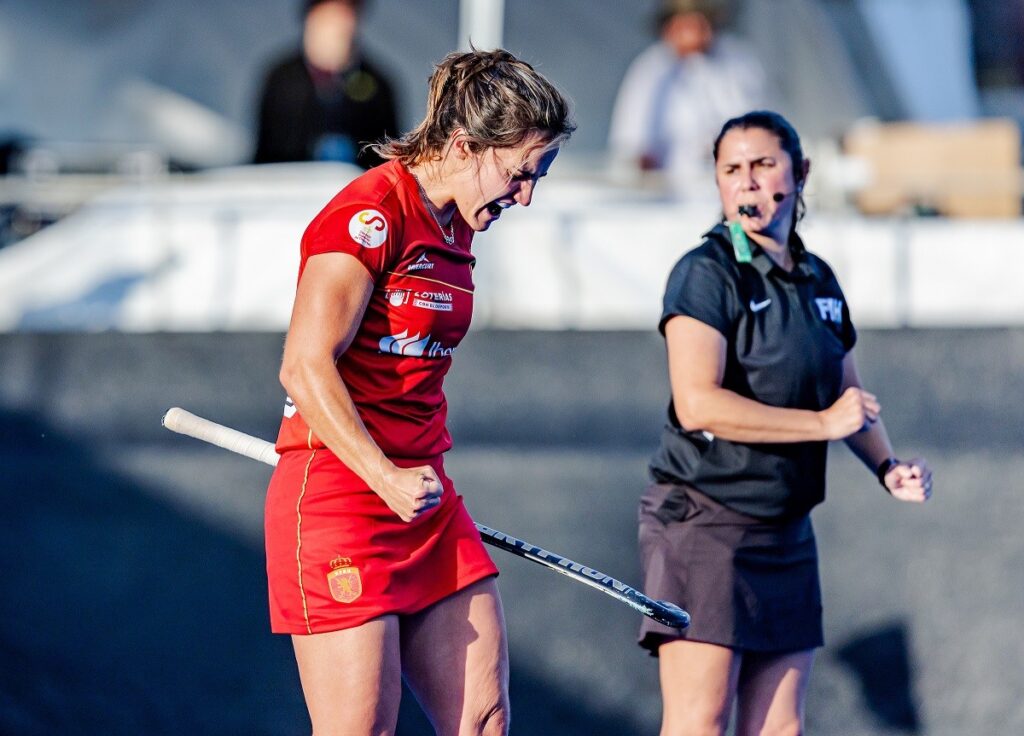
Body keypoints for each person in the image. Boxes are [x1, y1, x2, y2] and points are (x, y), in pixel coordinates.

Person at [264, 48, 573, 736]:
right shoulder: (367, 214)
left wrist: (410, 481)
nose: (525, 197)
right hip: (342, 496)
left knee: (484, 721)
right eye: (520, 174)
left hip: (425, 501)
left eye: (539, 177)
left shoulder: (459, 221)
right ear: (464, 146)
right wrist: (382, 475)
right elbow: (304, 365)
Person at [637, 110, 932, 736]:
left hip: (785, 530)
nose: (747, 182)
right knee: (700, 721)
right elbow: (698, 404)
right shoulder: (705, 273)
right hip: (705, 521)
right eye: (731, 170)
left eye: (763, 164)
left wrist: (887, 466)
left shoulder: (818, 277)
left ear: (799, 174)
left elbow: (846, 397)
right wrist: (821, 423)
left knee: (780, 728)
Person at [608, 0, 768, 201]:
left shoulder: (739, 64)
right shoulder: (650, 71)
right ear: (668, 28)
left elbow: (759, 130)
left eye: (699, 23)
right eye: (684, 24)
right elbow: (632, 145)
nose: (692, 32)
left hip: (731, 193)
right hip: (669, 200)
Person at [253, 0, 399, 168]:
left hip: (358, 187)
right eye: (328, 18)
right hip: (291, 185)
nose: (338, 27)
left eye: (345, 16)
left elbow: (387, 160)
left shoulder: (378, 86)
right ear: (310, 20)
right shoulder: (281, 80)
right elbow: (268, 153)